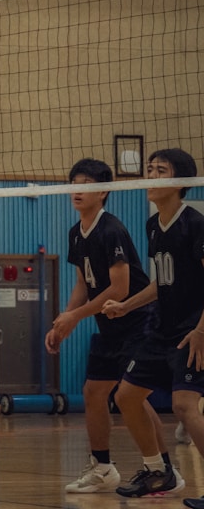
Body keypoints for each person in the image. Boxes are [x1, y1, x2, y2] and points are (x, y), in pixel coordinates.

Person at [43, 158, 172, 494]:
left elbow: (120, 289)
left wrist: (76, 316)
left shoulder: (111, 229)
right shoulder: (76, 233)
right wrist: (63, 321)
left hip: (140, 322)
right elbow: (83, 286)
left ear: (102, 191)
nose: (76, 190)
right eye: (73, 183)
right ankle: (102, 467)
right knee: (93, 392)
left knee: (133, 395)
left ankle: (164, 469)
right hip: (109, 328)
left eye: (84, 183)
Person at [103, 148, 204, 500]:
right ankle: (158, 471)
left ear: (181, 182)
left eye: (159, 170)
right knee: (127, 396)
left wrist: (202, 330)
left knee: (184, 407)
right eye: (149, 169)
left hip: (194, 330)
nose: (150, 175)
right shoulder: (151, 225)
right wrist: (126, 305)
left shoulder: (195, 224)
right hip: (162, 329)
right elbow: (161, 284)